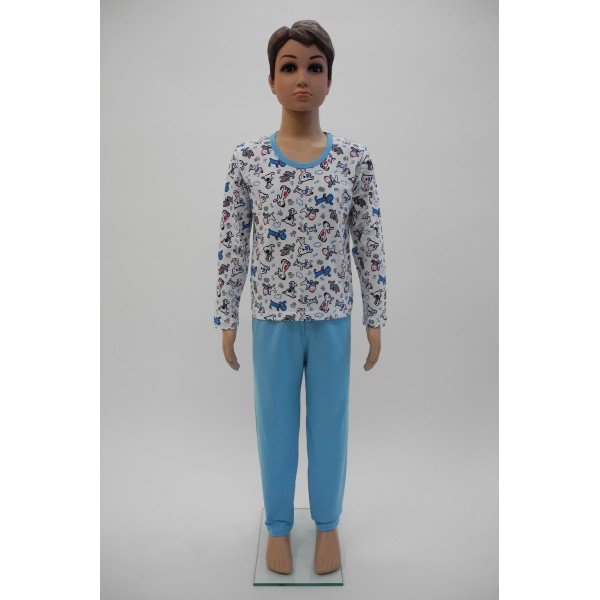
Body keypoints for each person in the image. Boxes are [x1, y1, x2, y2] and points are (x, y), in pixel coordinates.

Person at [213, 19, 387, 576]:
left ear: (330, 79)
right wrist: (226, 317)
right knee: (276, 428)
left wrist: (375, 315)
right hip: (272, 319)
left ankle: (329, 524)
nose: (302, 78)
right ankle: (279, 528)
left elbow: (369, 242)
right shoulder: (248, 159)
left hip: (332, 317)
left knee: (330, 426)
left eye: (315, 67)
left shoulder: (353, 159)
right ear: (271, 80)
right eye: (289, 67)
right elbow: (232, 243)